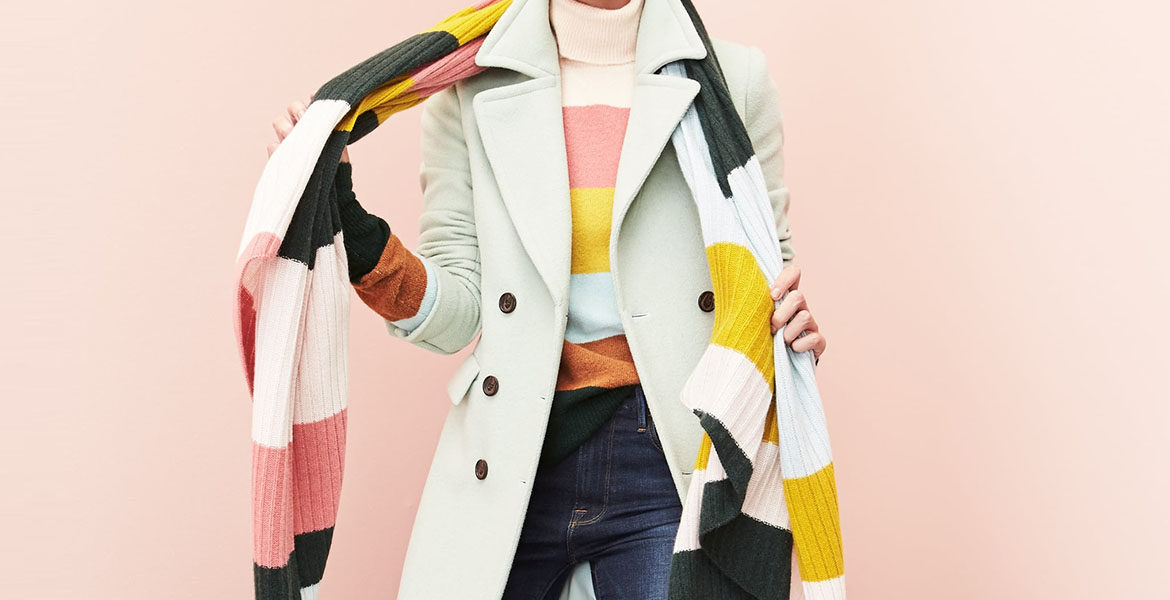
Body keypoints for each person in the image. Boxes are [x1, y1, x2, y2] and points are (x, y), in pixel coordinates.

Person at [266, 0, 826, 597]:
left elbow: (765, 272)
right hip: (517, 446)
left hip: (671, 452)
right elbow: (461, 310)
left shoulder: (731, 80)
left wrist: (791, 333)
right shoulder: (469, 83)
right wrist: (349, 224)